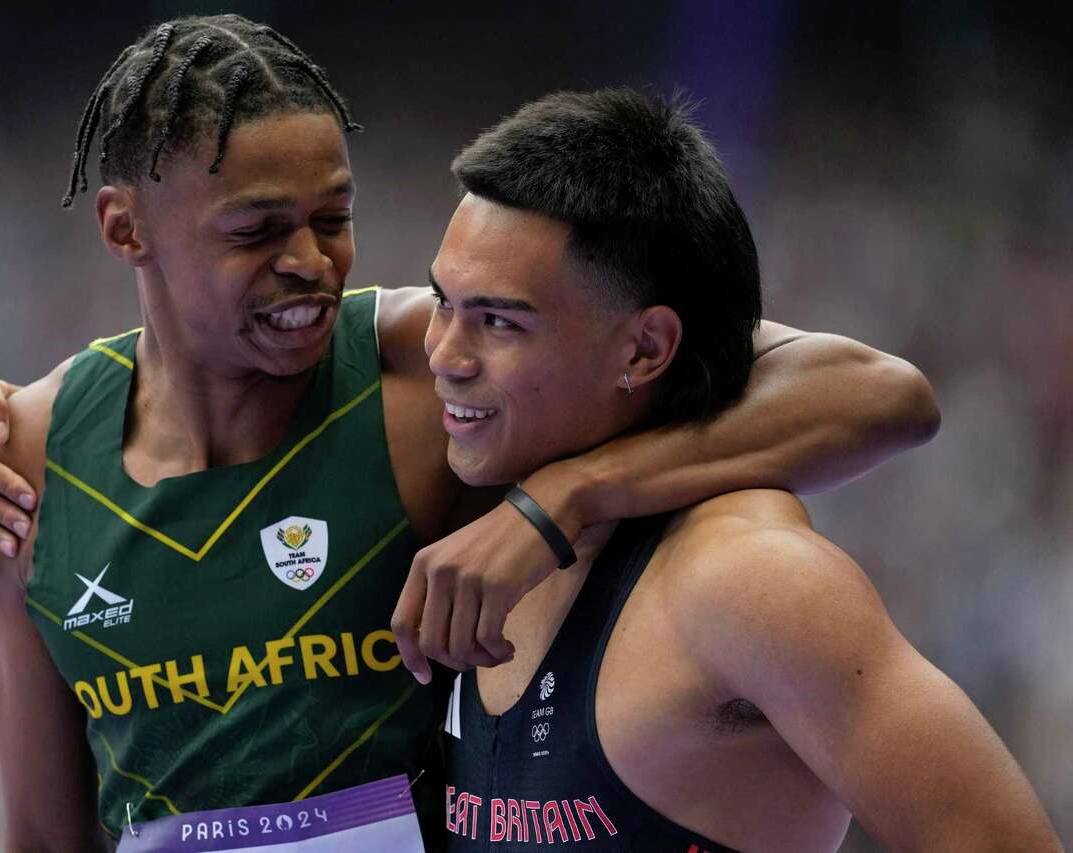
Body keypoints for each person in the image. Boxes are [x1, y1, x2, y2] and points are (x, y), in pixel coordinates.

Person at [0, 14, 943, 851]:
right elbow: (45, 830)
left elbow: (875, 392)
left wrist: (560, 499)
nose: (312, 261)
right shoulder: (25, 451)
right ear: (126, 228)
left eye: (333, 216)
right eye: (257, 230)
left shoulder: (416, 366)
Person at [430, 88, 1061, 851]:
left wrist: (575, 488)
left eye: (498, 321)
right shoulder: (473, 501)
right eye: (442, 304)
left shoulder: (751, 580)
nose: (443, 354)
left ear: (643, 350)